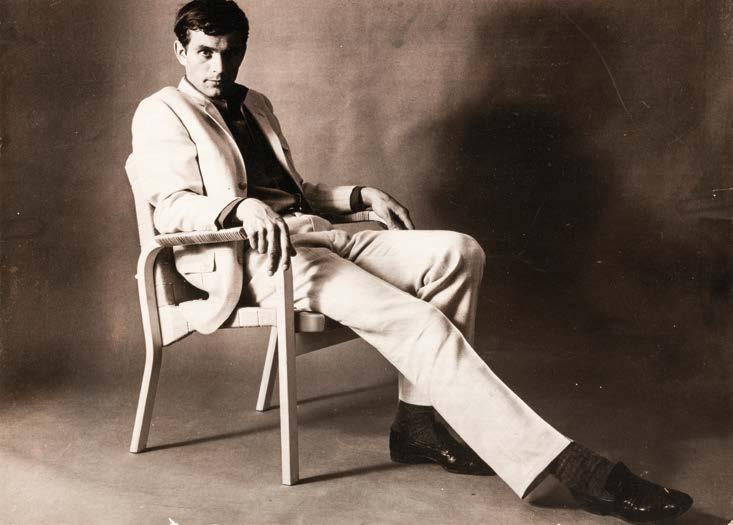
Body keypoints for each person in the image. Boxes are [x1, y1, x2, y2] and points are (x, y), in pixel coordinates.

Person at [125, 1, 693, 522]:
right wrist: (238, 208)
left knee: (458, 252)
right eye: (206, 52)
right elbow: (170, 204)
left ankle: (418, 423)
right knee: (418, 320)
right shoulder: (162, 111)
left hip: (312, 238)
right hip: (250, 258)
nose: (219, 66)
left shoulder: (256, 105)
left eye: (230, 52)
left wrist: (358, 196)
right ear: (180, 50)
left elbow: (291, 192)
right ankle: (574, 469)